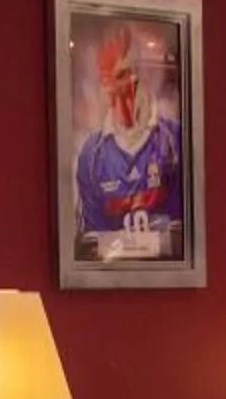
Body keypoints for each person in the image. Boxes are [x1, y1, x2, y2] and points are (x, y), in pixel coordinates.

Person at [72, 22, 184, 260]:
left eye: (121, 74)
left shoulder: (175, 140)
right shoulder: (91, 156)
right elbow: (89, 245)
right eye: (105, 79)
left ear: (138, 76)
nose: (113, 84)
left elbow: (183, 238)